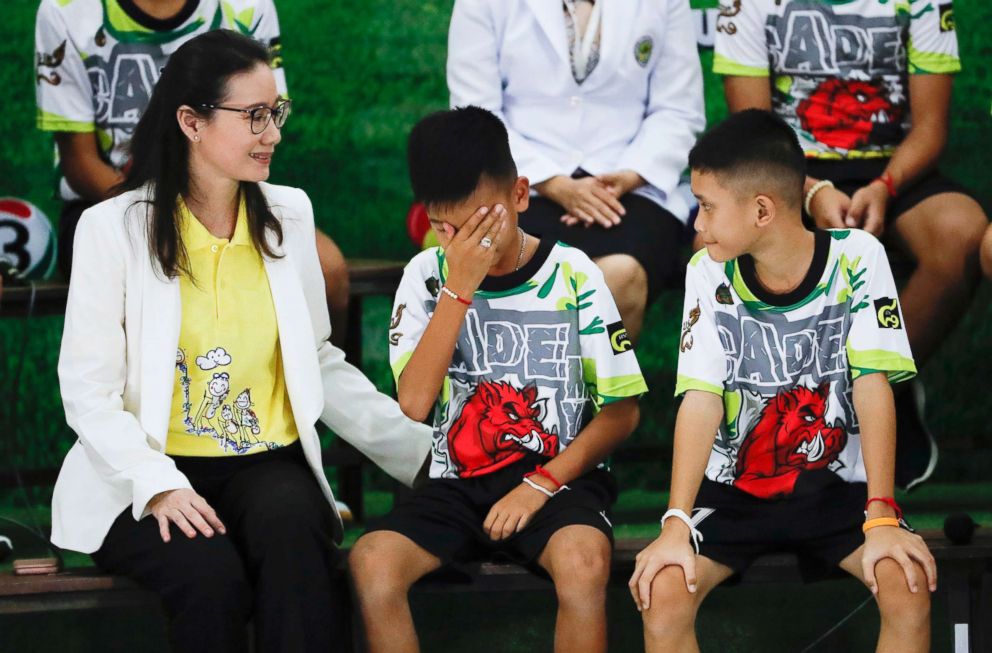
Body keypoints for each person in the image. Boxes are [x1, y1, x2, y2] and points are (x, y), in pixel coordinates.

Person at [52, 30, 431, 653]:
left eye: (275, 113)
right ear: (191, 122)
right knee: (210, 577)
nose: (273, 133)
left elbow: (317, 363)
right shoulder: (111, 228)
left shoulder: (290, 212)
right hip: (144, 473)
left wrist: (426, 457)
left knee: (295, 545)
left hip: (266, 464)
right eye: (254, 116)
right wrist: (159, 484)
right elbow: (87, 394)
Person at [629, 110, 935, 653]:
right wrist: (676, 520)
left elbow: (872, 386)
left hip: (839, 491)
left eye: (706, 207)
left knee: (905, 586)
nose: (696, 226)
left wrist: (882, 511)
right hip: (734, 493)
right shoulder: (708, 270)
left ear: (762, 210)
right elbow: (700, 398)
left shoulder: (857, 256)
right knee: (664, 592)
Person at [348, 107, 647, 653]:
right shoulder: (426, 276)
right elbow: (414, 404)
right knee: (371, 561)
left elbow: (623, 411)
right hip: (456, 482)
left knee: (583, 563)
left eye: (483, 225)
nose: (466, 244)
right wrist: (457, 289)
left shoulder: (574, 273)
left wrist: (541, 484)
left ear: (520, 196)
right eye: (446, 228)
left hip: (558, 478)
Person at [712, 0, 988, 490]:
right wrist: (811, 190)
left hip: (894, 168)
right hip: (783, 169)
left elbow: (930, 128)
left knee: (961, 232)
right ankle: (783, 419)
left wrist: (885, 184)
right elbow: (753, 129)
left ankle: (883, 386)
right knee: (713, 237)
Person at [34, 0, 351, 347]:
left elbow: (263, 118)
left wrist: (212, 213)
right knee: (161, 276)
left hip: (226, 192)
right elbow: (80, 163)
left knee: (328, 269)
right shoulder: (66, 9)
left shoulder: (249, 6)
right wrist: (173, 216)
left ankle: (311, 391)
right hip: (115, 199)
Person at [446, 0, 705, 343]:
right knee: (529, 282)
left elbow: (678, 109)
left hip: (629, 190)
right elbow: (475, 110)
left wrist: (628, 175)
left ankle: (602, 397)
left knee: (620, 274)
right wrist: (553, 183)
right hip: (520, 186)